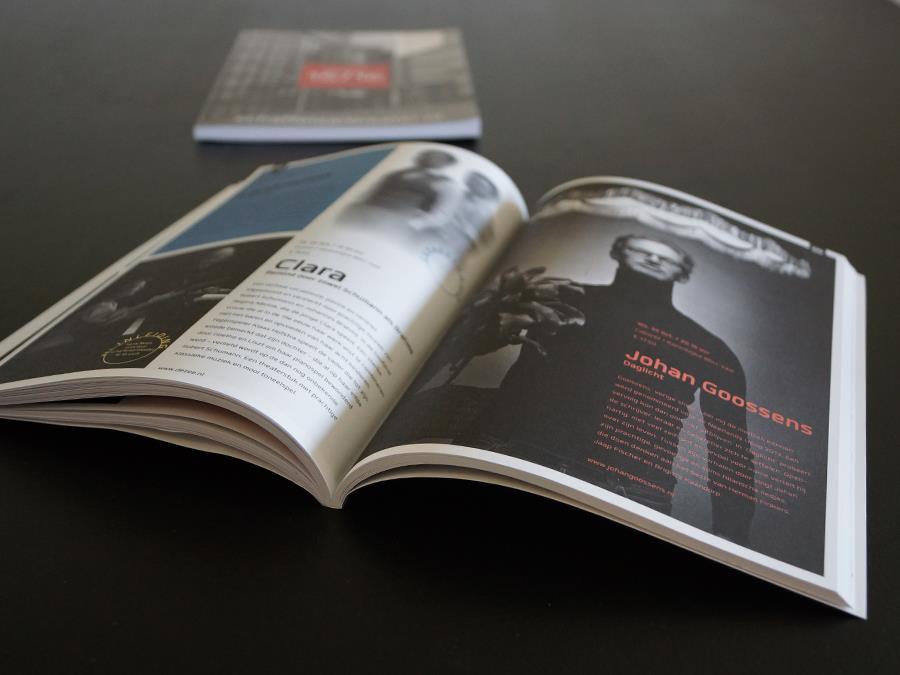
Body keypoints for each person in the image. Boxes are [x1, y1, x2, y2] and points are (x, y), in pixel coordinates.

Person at [454, 233, 755, 544]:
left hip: (627, 491)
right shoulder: (554, 299)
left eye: (666, 258)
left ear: (682, 273)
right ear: (618, 253)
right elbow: (470, 343)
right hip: (509, 453)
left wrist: (731, 533)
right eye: (641, 250)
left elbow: (729, 445)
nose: (653, 259)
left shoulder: (707, 347)